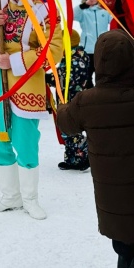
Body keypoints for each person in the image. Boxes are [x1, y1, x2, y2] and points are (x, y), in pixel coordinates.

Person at [57, 30, 134, 268]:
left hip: (111, 202)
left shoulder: (86, 102)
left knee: (124, 248)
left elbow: (64, 122)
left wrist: (64, 105)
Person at [0, 0, 63, 221]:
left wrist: (15, 61)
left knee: (25, 139)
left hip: (27, 81)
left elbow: (54, 52)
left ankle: (30, 198)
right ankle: (10, 197)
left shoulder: (46, 13)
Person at [54, 30, 91, 171]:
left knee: (73, 129)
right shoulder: (72, 57)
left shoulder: (75, 60)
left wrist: (49, 78)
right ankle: (71, 158)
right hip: (66, 99)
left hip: (73, 100)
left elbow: (66, 79)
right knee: (66, 129)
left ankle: (83, 157)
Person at [73, 0, 110, 77]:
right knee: (86, 75)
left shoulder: (104, 11)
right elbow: (73, 15)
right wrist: (84, 5)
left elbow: (115, 20)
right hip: (87, 50)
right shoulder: (83, 12)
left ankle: (100, 91)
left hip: (102, 49)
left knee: (102, 75)